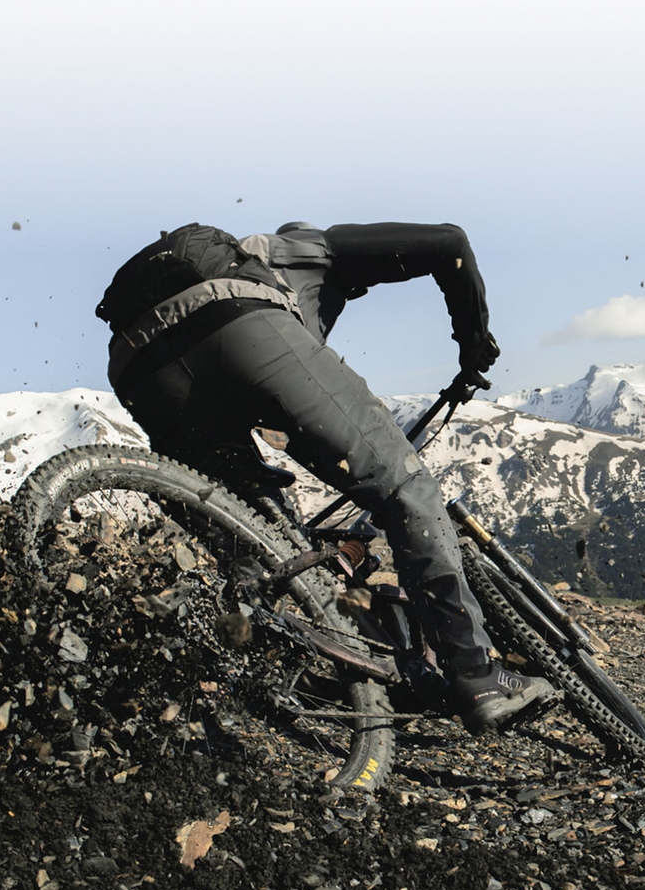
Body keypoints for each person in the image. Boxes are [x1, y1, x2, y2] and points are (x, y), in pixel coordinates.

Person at [99, 220, 555, 733]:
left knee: (261, 545)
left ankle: (289, 669)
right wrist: (473, 343)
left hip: (137, 369)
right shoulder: (309, 248)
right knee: (406, 491)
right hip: (235, 322)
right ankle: (476, 673)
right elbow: (450, 241)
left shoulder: (250, 272)